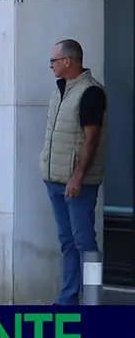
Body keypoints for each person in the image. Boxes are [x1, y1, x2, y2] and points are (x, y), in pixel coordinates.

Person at [43, 38, 108, 306]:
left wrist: (78, 176)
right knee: (67, 241)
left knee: (84, 241)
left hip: (76, 182)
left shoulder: (90, 92)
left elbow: (91, 139)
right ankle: (67, 299)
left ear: (68, 61)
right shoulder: (61, 90)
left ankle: (91, 302)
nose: (51, 66)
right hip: (54, 179)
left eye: (53, 61)